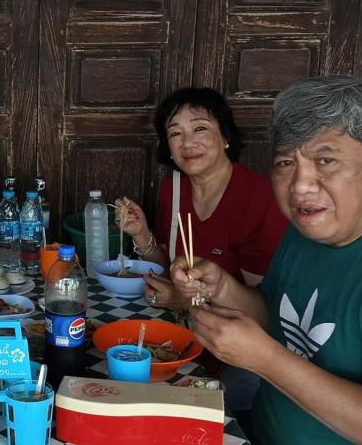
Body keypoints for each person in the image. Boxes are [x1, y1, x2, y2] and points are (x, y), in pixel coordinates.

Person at [171, 76, 362, 444]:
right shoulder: (308, 231)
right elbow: (276, 316)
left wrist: (264, 360)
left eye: (325, 160)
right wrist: (223, 289)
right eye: (286, 161)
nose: (300, 185)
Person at [115, 87, 287, 412]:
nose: (187, 143)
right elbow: (169, 265)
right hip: (185, 335)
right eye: (175, 133)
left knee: (173, 413)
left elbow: (265, 313)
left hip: (238, 355)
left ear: (226, 137)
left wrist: (184, 300)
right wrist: (141, 234)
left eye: (200, 128)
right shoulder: (174, 190)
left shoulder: (257, 199)